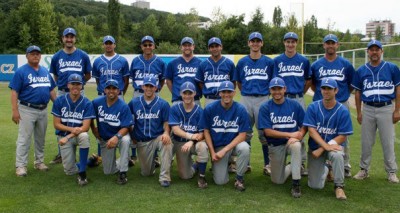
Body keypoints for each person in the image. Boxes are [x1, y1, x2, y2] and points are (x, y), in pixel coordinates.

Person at [352, 40, 400, 183]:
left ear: (381, 51)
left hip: (386, 107)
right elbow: (357, 92)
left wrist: (397, 110)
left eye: (377, 49)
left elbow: (398, 89)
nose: (374, 52)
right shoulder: (361, 70)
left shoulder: (392, 68)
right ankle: (364, 169)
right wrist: (359, 112)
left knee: (388, 141)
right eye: (371, 49)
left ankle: (391, 171)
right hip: (368, 108)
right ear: (367, 52)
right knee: (366, 142)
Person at [310, 34, 355, 177]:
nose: (330, 45)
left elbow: (350, 85)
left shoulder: (345, 64)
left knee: (342, 136)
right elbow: (313, 84)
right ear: (324, 45)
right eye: (327, 43)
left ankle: (344, 165)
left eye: (333, 43)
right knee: (321, 132)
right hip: (320, 105)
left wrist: (339, 96)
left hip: (340, 102)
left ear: (337, 45)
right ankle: (324, 165)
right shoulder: (316, 65)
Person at [9, 45, 56, 177]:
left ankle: (39, 162)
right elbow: (14, 92)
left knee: (40, 138)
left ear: (40, 56)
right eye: (32, 53)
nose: (35, 56)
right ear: (27, 56)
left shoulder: (45, 71)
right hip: (26, 109)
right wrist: (15, 110)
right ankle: (20, 165)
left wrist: (57, 105)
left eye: (37, 53)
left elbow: (51, 90)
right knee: (24, 138)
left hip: (43, 109)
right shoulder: (21, 71)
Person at [303, 78, 353, 200]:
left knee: (337, 155)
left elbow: (342, 136)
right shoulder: (313, 107)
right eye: (324, 88)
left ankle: (339, 187)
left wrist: (323, 149)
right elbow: (312, 131)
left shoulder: (342, 110)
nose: (326, 91)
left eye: (329, 88)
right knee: (315, 186)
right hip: (315, 147)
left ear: (336, 90)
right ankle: (326, 168)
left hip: (332, 147)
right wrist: (324, 147)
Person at [50, 27, 92, 165]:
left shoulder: (83, 55)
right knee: (62, 121)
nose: (69, 39)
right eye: (66, 37)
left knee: (80, 120)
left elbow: (87, 74)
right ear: (62, 39)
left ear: (75, 38)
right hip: (62, 91)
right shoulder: (56, 56)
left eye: (71, 37)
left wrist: (78, 86)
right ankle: (62, 152)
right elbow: (56, 76)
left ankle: (81, 151)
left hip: (79, 91)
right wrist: (65, 87)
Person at [258, 77, 306, 198]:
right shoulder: (265, 107)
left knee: (296, 146)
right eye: (274, 89)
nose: (277, 92)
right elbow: (268, 132)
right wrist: (290, 135)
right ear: (270, 90)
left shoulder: (294, 105)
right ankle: (294, 165)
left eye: (279, 88)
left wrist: (300, 135)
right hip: (276, 145)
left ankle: (296, 183)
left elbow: (305, 124)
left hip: (291, 143)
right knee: (277, 181)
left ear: (285, 89)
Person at [233, 32, 274, 175]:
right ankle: (246, 164)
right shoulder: (243, 62)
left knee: (264, 133)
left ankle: (268, 164)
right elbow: (238, 82)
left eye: (258, 41)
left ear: (262, 43)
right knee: (245, 132)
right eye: (253, 41)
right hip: (246, 98)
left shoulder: (269, 62)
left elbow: (273, 82)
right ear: (249, 43)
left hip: (263, 98)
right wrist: (246, 93)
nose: (255, 43)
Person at [200, 81, 251, 191]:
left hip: (234, 145)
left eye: (229, 91)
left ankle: (239, 178)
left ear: (234, 93)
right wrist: (213, 152)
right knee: (220, 182)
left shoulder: (241, 109)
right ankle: (224, 164)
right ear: (219, 93)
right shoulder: (210, 108)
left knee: (245, 147)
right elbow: (206, 131)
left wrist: (225, 150)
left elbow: (243, 135)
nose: (226, 94)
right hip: (219, 146)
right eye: (224, 92)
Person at [273, 32, 312, 176]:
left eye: (293, 42)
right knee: (282, 125)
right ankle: (281, 157)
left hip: (298, 98)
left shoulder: (303, 60)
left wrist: (301, 91)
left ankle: (301, 162)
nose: (290, 44)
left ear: (296, 43)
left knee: (301, 129)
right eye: (288, 41)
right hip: (281, 100)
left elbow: (309, 79)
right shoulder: (277, 61)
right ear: (284, 43)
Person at [91, 35, 131, 166]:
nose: (108, 45)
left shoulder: (122, 60)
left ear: (114, 45)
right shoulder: (97, 61)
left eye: (111, 43)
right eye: (106, 43)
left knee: (121, 123)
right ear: (103, 45)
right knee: (102, 123)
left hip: (118, 94)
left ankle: (127, 156)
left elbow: (125, 81)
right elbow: (98, 80)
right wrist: (104, 92)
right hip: (103, 95)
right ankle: (101, 154)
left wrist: (120, 94)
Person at [128, 76, 173, 187]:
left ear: (156, 87)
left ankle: (165, 177)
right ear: (143, 87)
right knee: (146, 173)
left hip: (157, 137)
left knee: (166, 142)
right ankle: (154, 161)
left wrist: (166, 133)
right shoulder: (134, 103)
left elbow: (167, 122)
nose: (149, 88)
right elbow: (128, 121)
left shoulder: (163, 104)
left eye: (151, 86)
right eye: (146, 86)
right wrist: (132, 134)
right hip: (142, 140)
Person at [51, 74, 95, 186]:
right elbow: (56, 124)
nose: (75, 86)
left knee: (84, 136)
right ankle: (90, 161)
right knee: (69, 171)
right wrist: (71, 130)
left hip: (76, 135)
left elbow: (85, 127)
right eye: (73, 84)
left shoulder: (87, 103)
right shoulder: (59, 101)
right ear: (68, 85)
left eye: (78, 84)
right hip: (64, 135)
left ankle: (82, 172)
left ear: (82, 86)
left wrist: (68, 136)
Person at [91, 79, 134, 184]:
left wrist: (116, 137)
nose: (111, 91)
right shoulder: (97, 102)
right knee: (108, 171)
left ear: (118, 91)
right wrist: (93, 129)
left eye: (114, 88)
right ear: (104, 90)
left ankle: (123, 172)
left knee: (125, 140)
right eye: (108, 88)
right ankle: (125, 160)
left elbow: (127, 127)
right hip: (105, 139)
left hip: (119, 136)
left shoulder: (123, 106)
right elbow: (89, 116)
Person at [168, 82, 209, 188]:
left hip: (195, 143)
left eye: (189, 93)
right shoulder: (175, 109)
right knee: (185, 176)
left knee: (202, 146)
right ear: (180, 94)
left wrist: (191, 141)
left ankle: (201, 176)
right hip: (179, 142)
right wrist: (191, 137)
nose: (187, 96)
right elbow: (176, 130)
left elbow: (201, 134)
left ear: (194, 93)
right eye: (184, 93)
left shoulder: (200, 111)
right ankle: (195, 166)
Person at [195, 37, 235, 106]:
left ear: (221, 47)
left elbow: (233, 82)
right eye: (212, 47)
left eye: (217, 46)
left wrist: (228, 95)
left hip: (224, 99)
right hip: (209, 99)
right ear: (209, 48)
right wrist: (207, 91)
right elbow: (200, 82)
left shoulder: (229, 63)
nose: (214, 49)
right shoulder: (203, 64)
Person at [165, 37, 202, 105]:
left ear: (193, 47)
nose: (187, 47)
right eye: (185, 45)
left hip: (195, 100)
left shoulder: (200, 63)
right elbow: (168, 81)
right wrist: (176, 93)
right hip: (178, 100)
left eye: (189, 45)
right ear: (181, 47)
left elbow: (202, 82)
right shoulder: (173, 63)